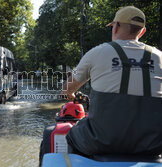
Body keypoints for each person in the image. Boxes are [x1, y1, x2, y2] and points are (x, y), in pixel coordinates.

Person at [62, 6, 162, 156]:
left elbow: (67, 89)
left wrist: (70, 95)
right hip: (153, 145)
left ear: (115, 27)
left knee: (71, 136)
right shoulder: (159, 57)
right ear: (142, 31)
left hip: (101, 143)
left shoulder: (97, 53)